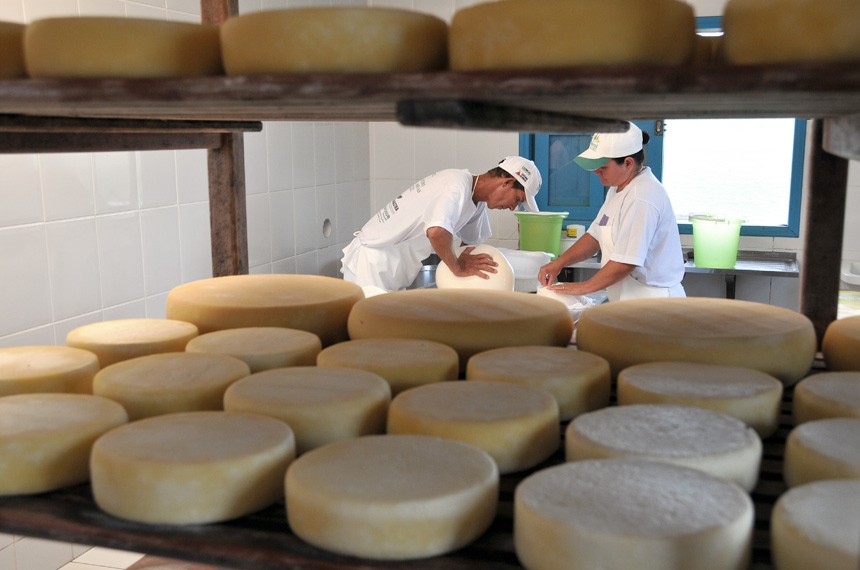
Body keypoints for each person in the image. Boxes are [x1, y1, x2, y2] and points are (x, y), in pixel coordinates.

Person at [342, 156, 542, 291]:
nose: (513, 208)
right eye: (517, 199)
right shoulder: (455, 183)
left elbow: (472, 248)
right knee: (368, 342)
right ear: (506, 182)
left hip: (396, 269)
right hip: (373, 262)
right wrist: (457, 268)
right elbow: (436, 232)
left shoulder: (476, 203)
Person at [538, 122, 686, 301]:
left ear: (628, 163)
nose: (596, 172)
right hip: (628, 297)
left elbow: (626, 261)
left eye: (603, 166)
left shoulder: (643, 196)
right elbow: (595, 235)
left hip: (652, 301)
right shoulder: (617, 189)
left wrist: (583, 287)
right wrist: (558, 263)